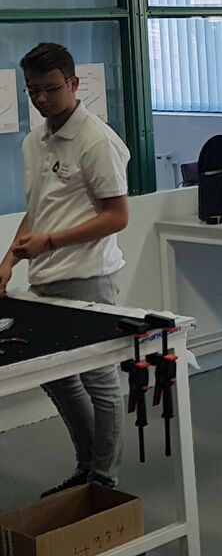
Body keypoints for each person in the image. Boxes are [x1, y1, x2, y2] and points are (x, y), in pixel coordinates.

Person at [0, 43, 131, 495]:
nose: (41, 99)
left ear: (73, 83)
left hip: (89, 277)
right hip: (46, 279)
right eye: (32, 90)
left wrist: (50, 242)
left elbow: (117, 216)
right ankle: (88, 466)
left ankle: (104, 480)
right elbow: (40, 210)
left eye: (51, 89)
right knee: (56, 376)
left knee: (100, 380)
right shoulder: (33, 142)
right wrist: (9, 260)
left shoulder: (97, 141)